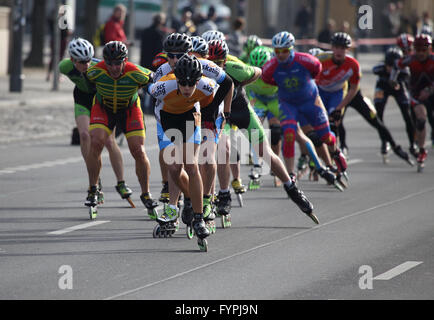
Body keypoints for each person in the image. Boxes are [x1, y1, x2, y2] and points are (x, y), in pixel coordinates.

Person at [207, 39, 318, 224]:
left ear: (225, 61)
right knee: (223, 149)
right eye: (211, 63)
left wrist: (244, 83)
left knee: (265, 152)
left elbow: (256, 71)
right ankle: (224, 194)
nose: (215, 67)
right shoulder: (200, 68)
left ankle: (291, 188)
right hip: (221, 113)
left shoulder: (234, 66)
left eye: (219, 64)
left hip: (241, 109)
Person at [153, 33, 234, 222]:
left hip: (200, 112)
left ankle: (206, 199)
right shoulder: (163, 70)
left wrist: (220, 110)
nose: (174, 60)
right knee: (173, 166)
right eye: (170, 55)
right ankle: (180, 202)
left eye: (179, 55)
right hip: (168, 116)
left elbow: (228, 83)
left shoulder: (204, 65)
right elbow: (153, 94)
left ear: (189, 53)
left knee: (203, 158)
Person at [262, 31, 348, 186]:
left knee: (325, 137)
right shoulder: (270, 67)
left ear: (291, 49)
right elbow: (267, 79)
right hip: (288, 104)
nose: (280, 55)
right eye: (277, 51)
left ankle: (336, 151)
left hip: (310, 101)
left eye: (284, 51)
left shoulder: (306, 60)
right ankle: (291, 173)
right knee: (288, 133)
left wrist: (308, 84)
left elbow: (317, 69)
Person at [316, 32, 412, 166]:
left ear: (348, 49)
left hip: (352, 95)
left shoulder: (353, 65)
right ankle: (341, 149)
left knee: (375, 120)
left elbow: (354, 88)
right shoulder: (322, 60)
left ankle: (394, 146)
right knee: (335, 123)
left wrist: (341, 106)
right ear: (332, 47)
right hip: (332, 93)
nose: (339, 51)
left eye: (343, 48)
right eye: (336, 47)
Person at [148, 54, 213, 248]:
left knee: (191, 164)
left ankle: (199, 217)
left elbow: (224, 88)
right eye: (182, 83)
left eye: (191, 83)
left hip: (190, 118)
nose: (186, 88)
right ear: (176, 79)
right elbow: (149, 100)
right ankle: (190, 199)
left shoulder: (208, 86)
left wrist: (222, 116)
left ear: (198, 80)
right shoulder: (160, 88)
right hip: (167, 120)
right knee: (174, 168)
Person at [85, 41, 158, 214]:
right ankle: (93, 189)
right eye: (110, 63)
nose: (114, 67)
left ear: (125, 60)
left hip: (129, 109)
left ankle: (146, 194)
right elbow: (84, 86)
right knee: (96, 142)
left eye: (118, 63)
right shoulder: (95, 72)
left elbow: (156, 82)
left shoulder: (137, 73)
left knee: (138, 150)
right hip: (104, 108)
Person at [59, 38, 132, 206]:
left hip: (101, 100)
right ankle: (94, 178)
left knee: (108, 140)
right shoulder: (64, 67)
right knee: (84, 135)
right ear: (72, 60)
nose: (86, 65)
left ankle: (121, 182)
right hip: (82, 99)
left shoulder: (101, 66)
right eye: (81, 62)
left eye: (88, 61)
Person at [391, 34, 434, 170]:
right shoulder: (410, 59)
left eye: (424, 50)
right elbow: (396, 66)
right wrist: (393, 80)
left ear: (430, 49)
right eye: (418, 49)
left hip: (431, 91)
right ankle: (421, 150)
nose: (421, 53)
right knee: (421, 120)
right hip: (417, 94)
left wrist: (429, 89)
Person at [373, 47, 417, 159]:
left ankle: (412, 143)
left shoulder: (404, 71)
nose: (391, 69)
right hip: (382, 87)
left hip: (398, 88)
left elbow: (408, 80)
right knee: (378, 115)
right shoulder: (380, 68)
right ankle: (384, 141)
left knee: (407, 115)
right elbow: (374, 69)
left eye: (394, 67)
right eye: (388, 65)